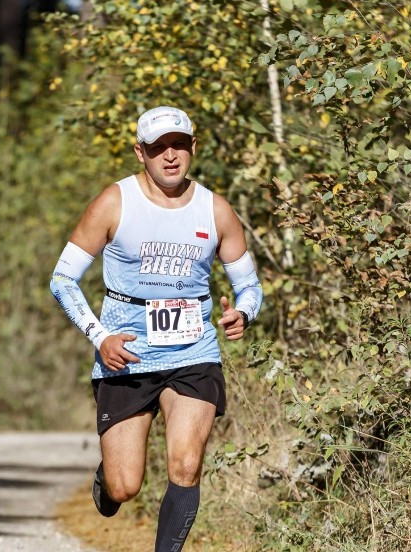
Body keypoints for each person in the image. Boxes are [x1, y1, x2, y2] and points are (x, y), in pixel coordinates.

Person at [49, 106, 262, 551]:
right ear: (139, 152)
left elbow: (249, 287)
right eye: (158, 147)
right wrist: (99, 336)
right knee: (126, 486)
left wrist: (243, 313)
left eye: (179, 145)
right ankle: (108, 479)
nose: (170, 156)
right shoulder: (115, 202)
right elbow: (62, 279)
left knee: (185, 465)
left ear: (192, 148)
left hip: (194, 349)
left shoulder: (215, 210)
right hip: (126, 351)